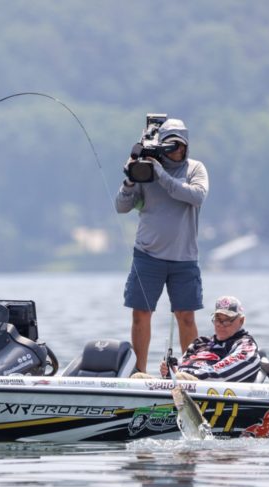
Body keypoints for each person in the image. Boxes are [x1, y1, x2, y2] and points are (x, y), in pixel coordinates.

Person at [115, 117, 209, 372]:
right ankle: (140, 372)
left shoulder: (195, 169)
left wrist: (162, 174)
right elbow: (121, 207)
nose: (175, 151)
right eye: (169, 146)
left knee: (186, 317)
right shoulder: (147, 170)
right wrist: (130, 180)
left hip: (184, 257)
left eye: (179, 145)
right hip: (147, 255)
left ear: (186, 145)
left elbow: (195, 196)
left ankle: (190, 371)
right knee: (141, 315)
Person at [157, 295, 260, 381]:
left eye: (227, 320)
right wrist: (169, 369)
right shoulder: (200, 342)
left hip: (206, 391)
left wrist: (184, 375)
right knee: (140, 377)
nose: (220, 325)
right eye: (218, 319)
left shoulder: (246, 345)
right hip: (182, 387)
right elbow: (179, 366)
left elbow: (222, 374)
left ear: (241, 321)